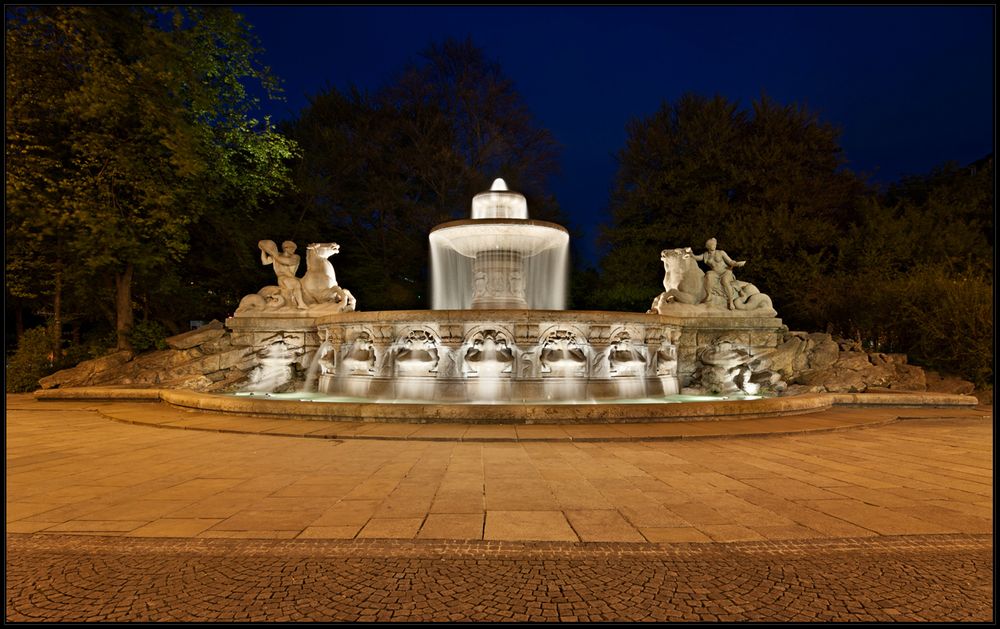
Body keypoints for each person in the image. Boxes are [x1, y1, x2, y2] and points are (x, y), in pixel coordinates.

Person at [691, 238, 745, 310]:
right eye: (713, 244)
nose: (714, 246)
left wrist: (737, 264)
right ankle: (709, 294)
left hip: (725, 271)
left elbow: (730, 261)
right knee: (708, 275)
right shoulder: (706, 255)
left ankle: (731, 301)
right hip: (715, 273)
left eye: (715, 244)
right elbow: (697, 258)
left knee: (725, 281)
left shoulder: (721, 252)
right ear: (708, 246)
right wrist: (690, 254)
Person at [259, 239, 307, 309]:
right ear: (286, 248)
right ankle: (301, 304)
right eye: (292, 248)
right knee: (296, 283)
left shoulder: (295, 257)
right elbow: (265, 261)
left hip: (292, 277)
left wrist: (274, 254)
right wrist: (263, 250)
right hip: (283, 278)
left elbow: (287, 262)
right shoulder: (277, 255)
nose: (294, 250)